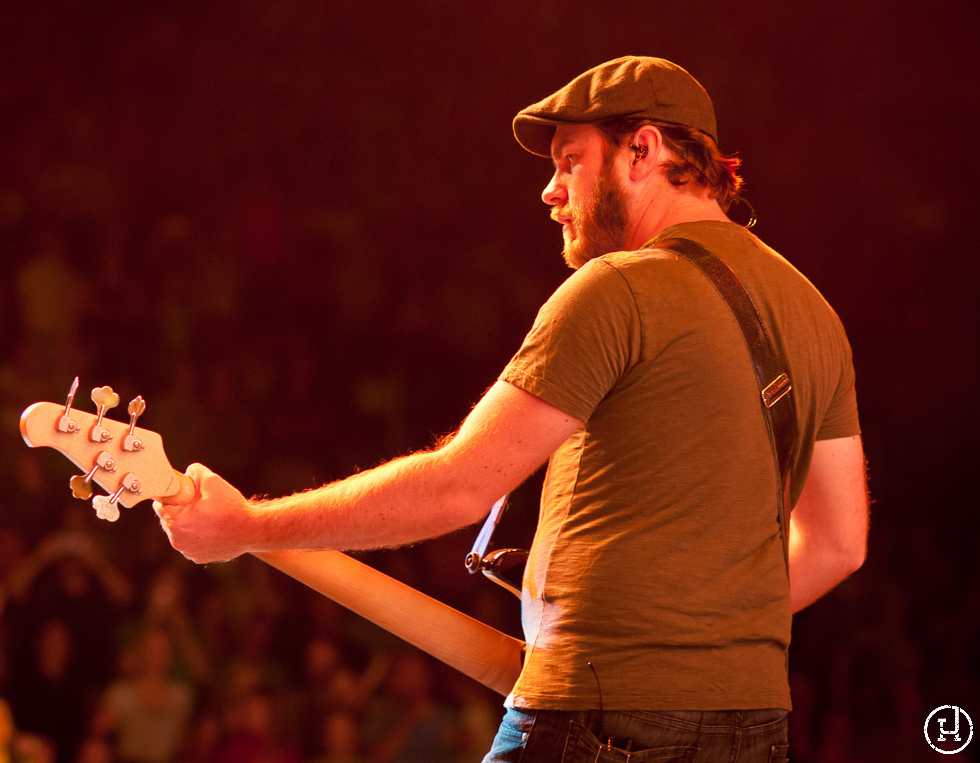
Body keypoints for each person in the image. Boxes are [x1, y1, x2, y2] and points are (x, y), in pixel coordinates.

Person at [154, 56, 869, 763]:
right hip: (754, 729)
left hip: (597, 725)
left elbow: (459, 485)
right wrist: (699, 637)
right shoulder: (814, 313)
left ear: (643, 150)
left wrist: (246, 525)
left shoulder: (618, 290)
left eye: (569, 160)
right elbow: (840, 543)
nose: (550, 191)